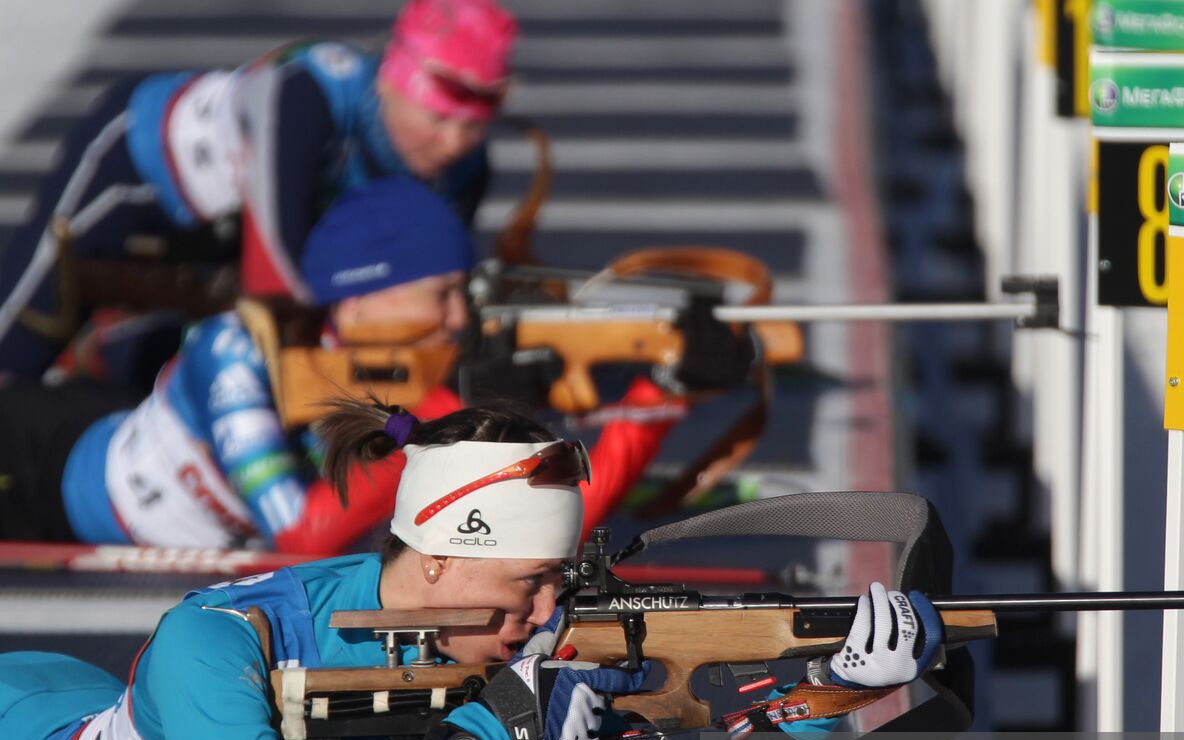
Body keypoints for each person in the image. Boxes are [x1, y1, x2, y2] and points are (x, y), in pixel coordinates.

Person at [0, 396, 948, 740]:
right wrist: (485, 736)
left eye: (556, 586)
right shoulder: (214, 646)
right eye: (527, 583)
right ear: (445, 558)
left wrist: (821, 706)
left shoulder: (513, 649)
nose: (544, 615)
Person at [0, 176, 680, 553]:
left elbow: (544, 524)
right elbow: (299, 532)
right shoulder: (234, 351)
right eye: (440, 295)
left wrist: (663, 394)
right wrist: (450, 415)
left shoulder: (417, 374)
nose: (455, 320)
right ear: (359, 298)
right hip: (40, 469)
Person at [0, 0, 516, 379]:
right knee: (21, 341)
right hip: (137, 172)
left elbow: (431, 289)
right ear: (390, 81)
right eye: (438, 119)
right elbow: (276, 267)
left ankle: (106, 362)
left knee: (177, 364)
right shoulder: (307, 92)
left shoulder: (468, 167)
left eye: (473, 128)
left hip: (230, 233)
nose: (452, 144)